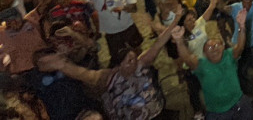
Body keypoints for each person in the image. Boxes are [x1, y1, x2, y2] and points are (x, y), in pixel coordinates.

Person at [37, 15, 179, 120]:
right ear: (119, 65)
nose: (133, 62)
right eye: (128, 60)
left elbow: (158, 44)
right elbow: (83, 73)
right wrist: (62, 64)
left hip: (156, 114)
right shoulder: (109, 77)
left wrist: (176, 20)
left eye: (134, 58)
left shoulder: (141, 64)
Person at [172, 8, 253, 119]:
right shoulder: (201, 66)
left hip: (240, 104)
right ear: (204, 54)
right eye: (209, 47)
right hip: (218, 114)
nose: (214, 49)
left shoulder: (229, 55)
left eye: (216, 45)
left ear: (223, 47)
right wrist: (179, 41)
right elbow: (187, 58)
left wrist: (242, 27)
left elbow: (240, 46)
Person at [90, 0, 143, 67]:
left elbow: (134, 8)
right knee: (118, 57)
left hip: (129, 27)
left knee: (137, 49)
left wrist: (123, 8)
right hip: (112, 33)